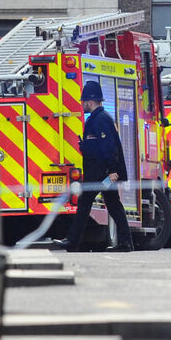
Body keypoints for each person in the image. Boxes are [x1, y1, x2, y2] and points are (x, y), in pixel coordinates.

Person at [60, 80, 133, 252]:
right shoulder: (101, 118)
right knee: (113, 204)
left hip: (103, 175)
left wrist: (113, 170)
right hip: (102, 173)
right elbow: (100, 145)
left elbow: (109, 146)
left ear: (90, 101)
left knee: (86, 202)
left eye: (83, 101)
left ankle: (72, 242)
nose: (82, 104)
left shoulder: (99, 119)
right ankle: (126, 242)